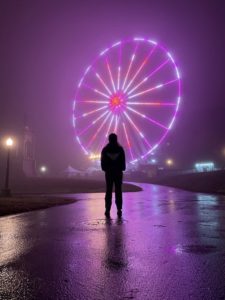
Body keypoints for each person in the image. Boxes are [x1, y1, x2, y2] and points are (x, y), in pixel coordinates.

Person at [101, 133, 126, 218]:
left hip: (109, 173)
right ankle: (119, 209)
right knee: (118, 191)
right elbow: (123, 162)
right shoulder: (120, 149)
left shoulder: (105, 149)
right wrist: (122, 168)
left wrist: (106, 169)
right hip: (118, 173)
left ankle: (107, 209)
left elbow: (102, 162)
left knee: (108, 191)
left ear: (109, 139)